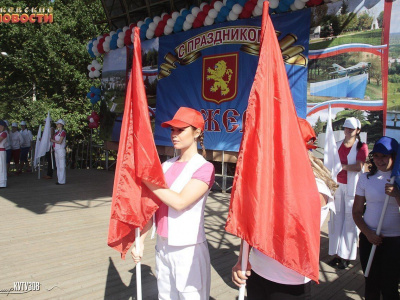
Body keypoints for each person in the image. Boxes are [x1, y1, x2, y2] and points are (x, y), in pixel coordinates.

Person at [232, 118, 337, 300]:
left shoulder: (317, 186)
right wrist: (242, 259)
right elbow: (249, 226)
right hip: (258, 271)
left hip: (289, 280)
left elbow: (290, 228)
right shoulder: (268, 179)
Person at [131, 107, 215, 300]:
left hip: (188, 248)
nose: (174, 135)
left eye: (180, 130)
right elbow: (153, 207)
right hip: (162, 246)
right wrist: (140, 242)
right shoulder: (165, 166)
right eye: (172, 130)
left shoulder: (204, 167)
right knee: (165, 296)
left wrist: (147, 181)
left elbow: (180, 202)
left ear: (197, 132)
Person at [353, 136, 400, 300]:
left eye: (385, 156)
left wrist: (396, 194)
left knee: (390, 286)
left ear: (394, 156)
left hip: (394, 240)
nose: (380, 160)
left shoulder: (398, 179)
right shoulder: (365, 178)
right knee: (371, 284)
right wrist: (368, 234)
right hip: (369, 238)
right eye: (377, 155)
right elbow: (357, 212)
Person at [328, 117, 368, 269]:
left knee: (350, 221)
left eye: (351, 128)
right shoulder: (336, 145)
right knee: (336, 219)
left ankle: (346, 255)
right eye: (346, 128)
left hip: (353, 188)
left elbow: (358, 167)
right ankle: (337, 253)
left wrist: (340, 167)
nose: (348, 130)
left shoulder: (361, 147)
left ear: (357, 131)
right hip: (338, 186)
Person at [50, 119, 66, 185]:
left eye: (58, 124)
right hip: (56, 149)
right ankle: (59, 179)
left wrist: (53, 141)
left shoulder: (63, 132)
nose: (57, 125)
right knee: (58, 165)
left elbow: (60, 142)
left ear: (61, 125)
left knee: (61, 165)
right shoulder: (57, 132)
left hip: (61, 150)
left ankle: (62, 180)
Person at [0, 120, 8, 188]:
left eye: (1, 126)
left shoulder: (4, 133)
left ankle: (2, 182)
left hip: (1, 151)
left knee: (2, 167)